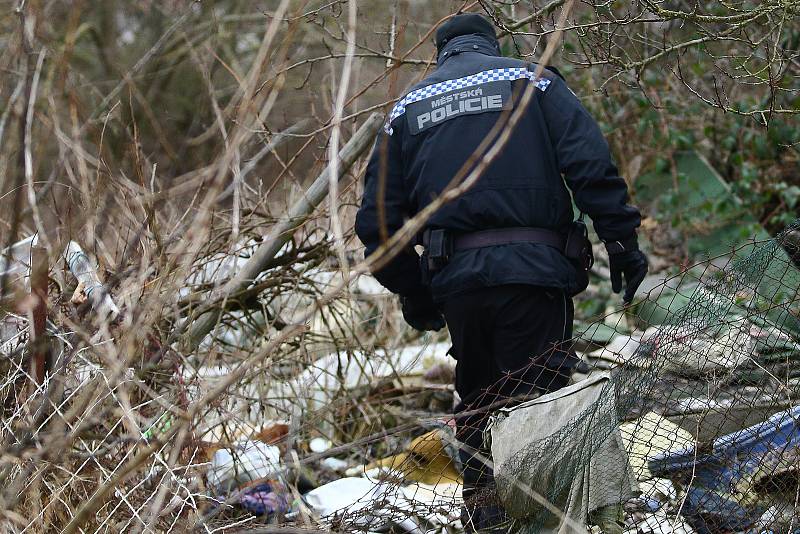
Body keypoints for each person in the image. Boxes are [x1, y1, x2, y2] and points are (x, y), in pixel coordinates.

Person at [355, 12, 648, 532]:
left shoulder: (406, 111)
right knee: (543, 401)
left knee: (479, 399)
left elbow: (377, 224)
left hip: (459, 285)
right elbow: (590, 166)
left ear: (441, 54)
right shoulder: (534, 81)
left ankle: (487, 514)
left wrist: (417, 292)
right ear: (493, 44)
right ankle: (550, 519)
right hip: (536, 276)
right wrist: (622, 243)